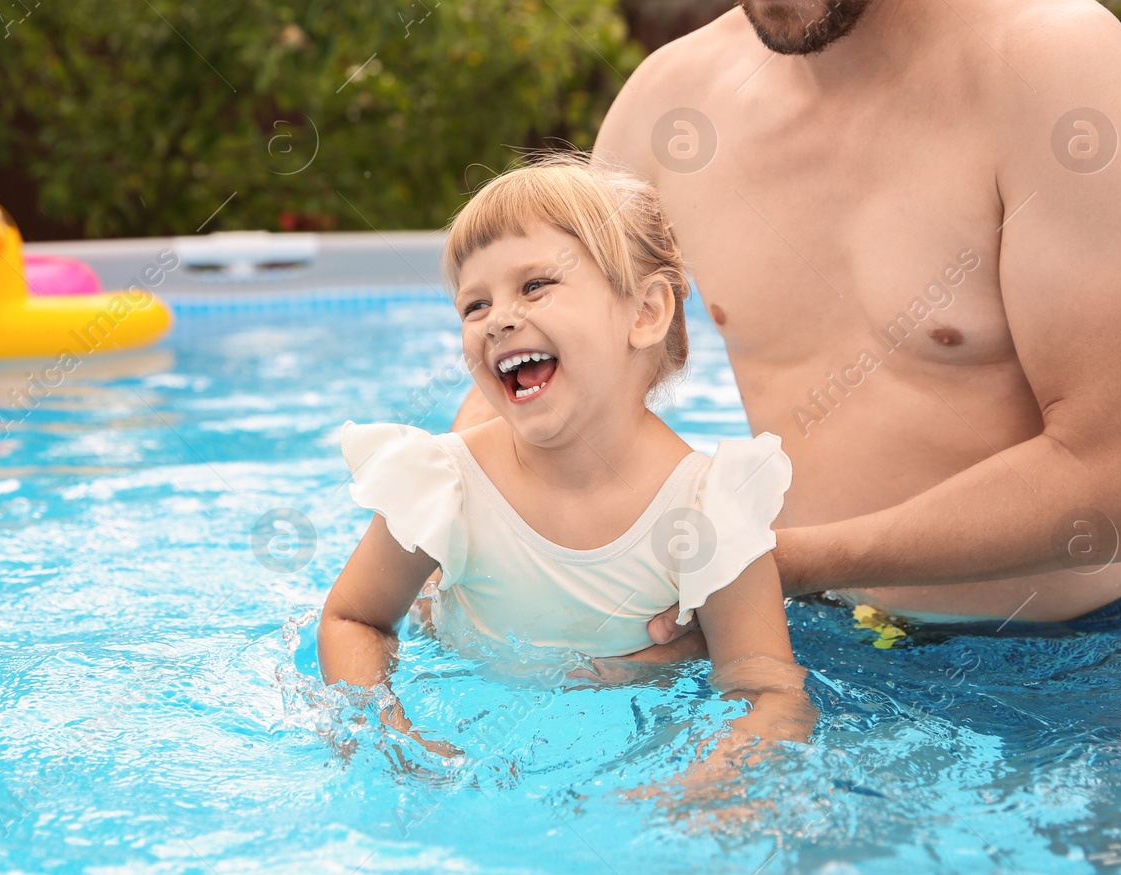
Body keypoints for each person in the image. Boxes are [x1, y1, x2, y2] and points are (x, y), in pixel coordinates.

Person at [450, 0, 1121, 650]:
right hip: (817, 638)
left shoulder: (1053, 70)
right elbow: (542, 364)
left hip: (1079, 665)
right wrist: (442, 529)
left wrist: (776, 561)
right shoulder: (672, 107)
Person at [318, 158, 814, 774]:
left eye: (534, 287)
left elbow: (767, 691)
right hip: (461, 680)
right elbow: (351, 618)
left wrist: (703, 790)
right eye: (473, 306)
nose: (497, 318)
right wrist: (390, 737)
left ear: (644, 313)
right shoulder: (447, 484)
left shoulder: (708, 507)